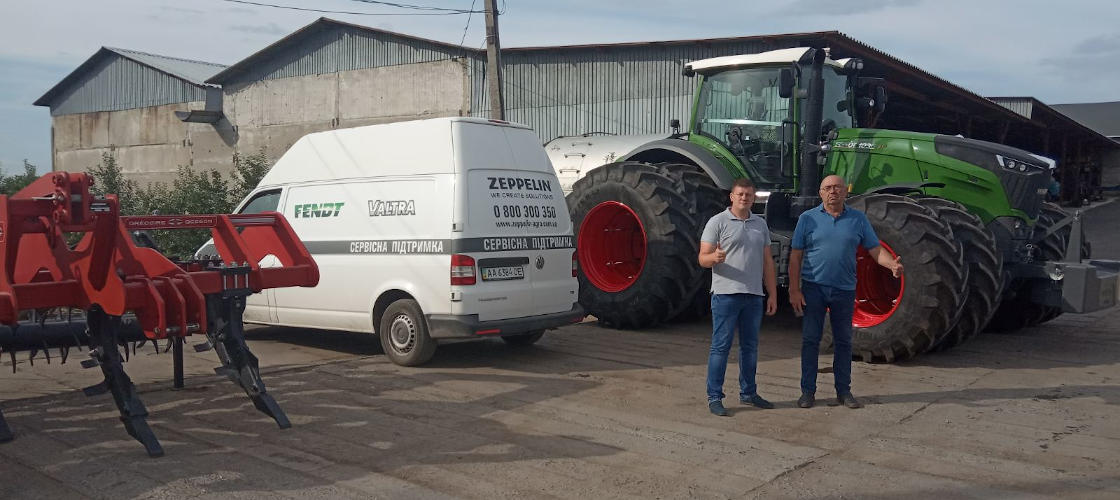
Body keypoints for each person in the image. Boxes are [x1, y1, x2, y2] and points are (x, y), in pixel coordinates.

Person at [788, 175, 902, 409]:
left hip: (844, 290)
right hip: (814, 289)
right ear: (820, 193)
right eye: (828, 188)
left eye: (837, 188)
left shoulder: (858, 219)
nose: (833, 192)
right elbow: (795, 257)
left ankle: (844, 391)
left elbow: (874, 249)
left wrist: (892, 264)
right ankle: (808, 392)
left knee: (844, 341)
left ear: (845, 192)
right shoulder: (807, 219)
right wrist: (793, 289)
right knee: (811, 341)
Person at [698, 178, 778, 416]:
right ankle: (714, 396)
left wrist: (772, 293)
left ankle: (749, 393)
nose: (745, 198)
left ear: (754, 198)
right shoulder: (717, 222)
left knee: (750, 348)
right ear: (731, 196)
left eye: (749, 195)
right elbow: (702, 258)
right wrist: (714, 258)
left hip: (753, 295)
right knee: (720, 347)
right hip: (725, 295)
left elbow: (767, 262)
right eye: (741, 194)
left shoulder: (759, 225)